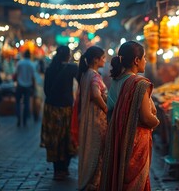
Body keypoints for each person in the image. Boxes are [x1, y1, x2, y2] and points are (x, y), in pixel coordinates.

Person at [100, 41, 159, 191]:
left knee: (123, 175)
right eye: (144, 57)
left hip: (120, 135)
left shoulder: (121, 81)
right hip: (136, 138)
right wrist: (156, 121)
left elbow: (111, 107)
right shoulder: (139, 84)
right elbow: (146, 117)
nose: (146, 61)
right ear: (136, 60)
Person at [40, 46, 78, 180]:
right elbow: (82, 79)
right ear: (68, 55)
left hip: (51, 108)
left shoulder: (50, 69)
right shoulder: (72, 68)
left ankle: (57, 170)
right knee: (66, 139)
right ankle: (65, 168)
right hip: (66, 108)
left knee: (54, 139)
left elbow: (45, 90)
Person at [77, 46, 108, 191]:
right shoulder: (94, 75)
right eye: (102, 58)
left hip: (88, 117)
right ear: (96, 60)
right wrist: (105, 108)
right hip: (97, 119)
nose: (104, 60)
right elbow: (95, 94)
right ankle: (94, 184)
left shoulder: (85, 74)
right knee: (98, 151)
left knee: (91, 149)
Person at [14, 50, 35, 127]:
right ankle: (24, 120)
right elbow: (33, 77)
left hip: (20, 85)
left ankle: (19, 118)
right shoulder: (32, 64)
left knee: (18, 103)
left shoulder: (20, 63)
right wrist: (33, 86)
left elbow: (16, 74)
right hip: (28, 85)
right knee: (26, 103)